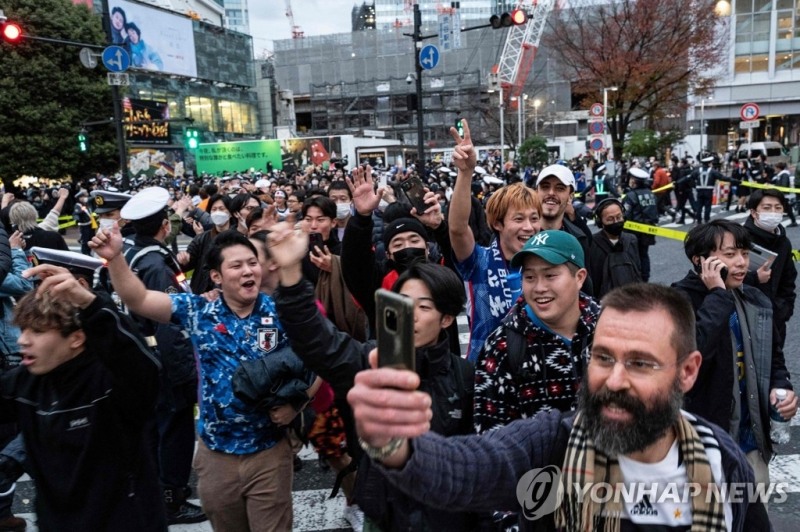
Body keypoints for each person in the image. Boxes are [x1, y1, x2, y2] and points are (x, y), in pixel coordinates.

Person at [348, 283, 769, 530]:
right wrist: (395, 445)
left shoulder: (721, 460)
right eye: (603, 357)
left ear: (687, 372)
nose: (614, 380)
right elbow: (466, 468)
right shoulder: (553, 444)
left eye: (640, 363)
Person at [89, 227, 314, 531]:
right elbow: (138, 298)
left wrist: (296, 405)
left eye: (252, 262)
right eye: (236, 266)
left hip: (268, 453)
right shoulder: (199, 310)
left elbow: (316, 361)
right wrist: (114, 258)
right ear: (216, 277)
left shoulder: (280, 313)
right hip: (216, 456)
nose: (248, 271)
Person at [268, 219, 475, 531]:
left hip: (450, 514)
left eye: (424, 307)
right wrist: (290, 275)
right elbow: (318, 343)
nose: (411, 316)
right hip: (385, 513)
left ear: (447, 319)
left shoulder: (466, 376)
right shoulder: (372, 360)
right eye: (403, 304)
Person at [6, 265, 165, 530]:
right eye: (23, 330)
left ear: (76, 338)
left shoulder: (111, 383)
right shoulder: (27, 381)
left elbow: (142, 365)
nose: (23, 340)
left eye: (37, 331)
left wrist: (89, 303)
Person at [671, 220, 797, 487]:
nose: (742, 262)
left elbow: (773, 356)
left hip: (751, 440)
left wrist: (781, 385)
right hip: (703, 444)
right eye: (730, 254)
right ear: (701, 260)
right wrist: (717, 293)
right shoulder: (677, 300)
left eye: (745, 253)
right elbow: (693, 353)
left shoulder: (754, 299)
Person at [118, 188, 206, 525]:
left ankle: (155, 491)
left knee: (156, 427)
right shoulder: (155, 264)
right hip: (164, 359)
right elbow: (167, 321)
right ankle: (172, 497)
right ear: (164, 226)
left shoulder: (133, 252)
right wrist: (184, 371)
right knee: (174, 430)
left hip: (145, 354)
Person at [473, 230, 598, 433]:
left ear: (580, 277)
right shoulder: (500, 347)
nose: (539, 288)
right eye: (529, 277)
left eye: (550, 275)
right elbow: (491, 438)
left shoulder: (609, 330)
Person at [448, 120, 541, 362]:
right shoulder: (479, 261)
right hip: (485, 372)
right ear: (498, 224)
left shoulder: (546, 266)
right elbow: (458, 229)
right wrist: (466, 172)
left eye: (534, 218)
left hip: (535, 373)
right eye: (519, 219)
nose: (529, 227)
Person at [743, 189, 797, 349]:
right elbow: (723, 277)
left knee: (775, 362)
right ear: (754, 212)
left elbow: (789, 279)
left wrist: (784, 310)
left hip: (776, 317)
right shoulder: (740, 239)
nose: (773, 213)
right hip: (745, 315)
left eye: (778, 208)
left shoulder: (784, 242)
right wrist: (754, 278)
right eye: (767, 208)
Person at [587, 198, 642, 298]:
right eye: (610, 219)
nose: (616, 221)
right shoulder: (592, 243)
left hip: (633, 299)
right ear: (600, 222)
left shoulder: (631, 240)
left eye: (619, 217)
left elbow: (638, 272)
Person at [622, 167, 658, 282]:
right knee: (644, 254)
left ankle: (636, 278)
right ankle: (645, 277)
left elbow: (625, 215)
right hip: (648, 230)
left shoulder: (631, 195)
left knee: (633, 255)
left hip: (634, 231)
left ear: (634, 181)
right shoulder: (651, 194)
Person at [690, 156, 722, 224]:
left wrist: (695, 186)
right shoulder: (712, 171)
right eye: (711, 163)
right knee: (707, 206)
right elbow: (723, 177)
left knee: (699, 206)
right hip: (708, 191)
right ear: (709, 163)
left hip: (699, 191)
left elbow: (689, 178)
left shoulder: (697, 170)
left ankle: (699, 220)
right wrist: (736, 181)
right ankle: (706, 220)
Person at [772, 162, 797, 227]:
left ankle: (793, 221)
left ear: (779, 168)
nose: (774, 169)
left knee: (786, 209)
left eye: (775, 168)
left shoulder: (784, 175)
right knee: (786, 209)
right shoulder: (780, 175)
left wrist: (775, 187)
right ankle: (793, 221)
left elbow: (784, 185)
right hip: (782, 195)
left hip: (785, 195)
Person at [73, 191, 96, 255]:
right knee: (85, 240)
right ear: (79, 198)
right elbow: (75, 214)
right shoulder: (78, 205)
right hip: (84, 225)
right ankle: (85, 253)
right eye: (83, 197)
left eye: (85, 196)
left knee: (90, 238)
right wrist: (77, 218)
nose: (85, 198)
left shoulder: (87, 204)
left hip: (91, 224)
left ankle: (88, 252)